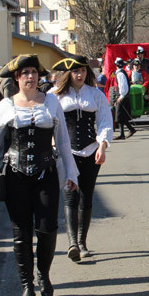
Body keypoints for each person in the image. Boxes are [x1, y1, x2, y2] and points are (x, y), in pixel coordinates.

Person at [0, 54, 79, 296]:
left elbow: (62, 141)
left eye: (34, 72)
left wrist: (71, 174)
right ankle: (27, 285)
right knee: (22, 233)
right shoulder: (6, 106)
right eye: (25, 73)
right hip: (15, 175)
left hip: (45, 174)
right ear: (17, 78)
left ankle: (44, 275)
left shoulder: (50, 102)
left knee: (48, 228)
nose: (31, 76)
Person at [51, 55, 113, 263]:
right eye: (76, 71)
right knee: (70, 195)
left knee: (86, 195)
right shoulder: (55, 95)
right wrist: (52, 144)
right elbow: (49, 122)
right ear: (69, 73)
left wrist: (102, 146)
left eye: (84, 71)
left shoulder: (95, 94)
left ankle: (82, 242)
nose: (80, 75)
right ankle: (72, 244)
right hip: (66, 152)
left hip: (90, 150)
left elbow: (105, 121)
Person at [113, 58, 136, 140]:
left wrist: (121, 96)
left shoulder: (120, 74)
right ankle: (123, 133)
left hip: (122, 97)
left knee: (119, 116)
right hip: (123, 96)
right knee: (121, 116)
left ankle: (130, 129)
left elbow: (123, 86)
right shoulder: (121, 72)